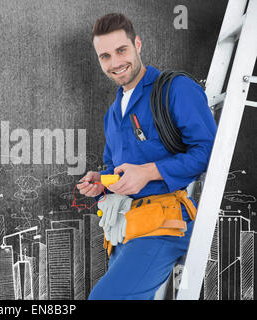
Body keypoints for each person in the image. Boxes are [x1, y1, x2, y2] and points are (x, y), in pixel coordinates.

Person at [77, 13, 217, 300]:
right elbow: (115, 169)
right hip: (125, 232)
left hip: (163, 228)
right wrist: (101, 181)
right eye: (105, 56)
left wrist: (150, 171)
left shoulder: (175, 89)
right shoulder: (112, 114)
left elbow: (208, 153)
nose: (115, 63)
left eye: (121, 50)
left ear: (137, 44)